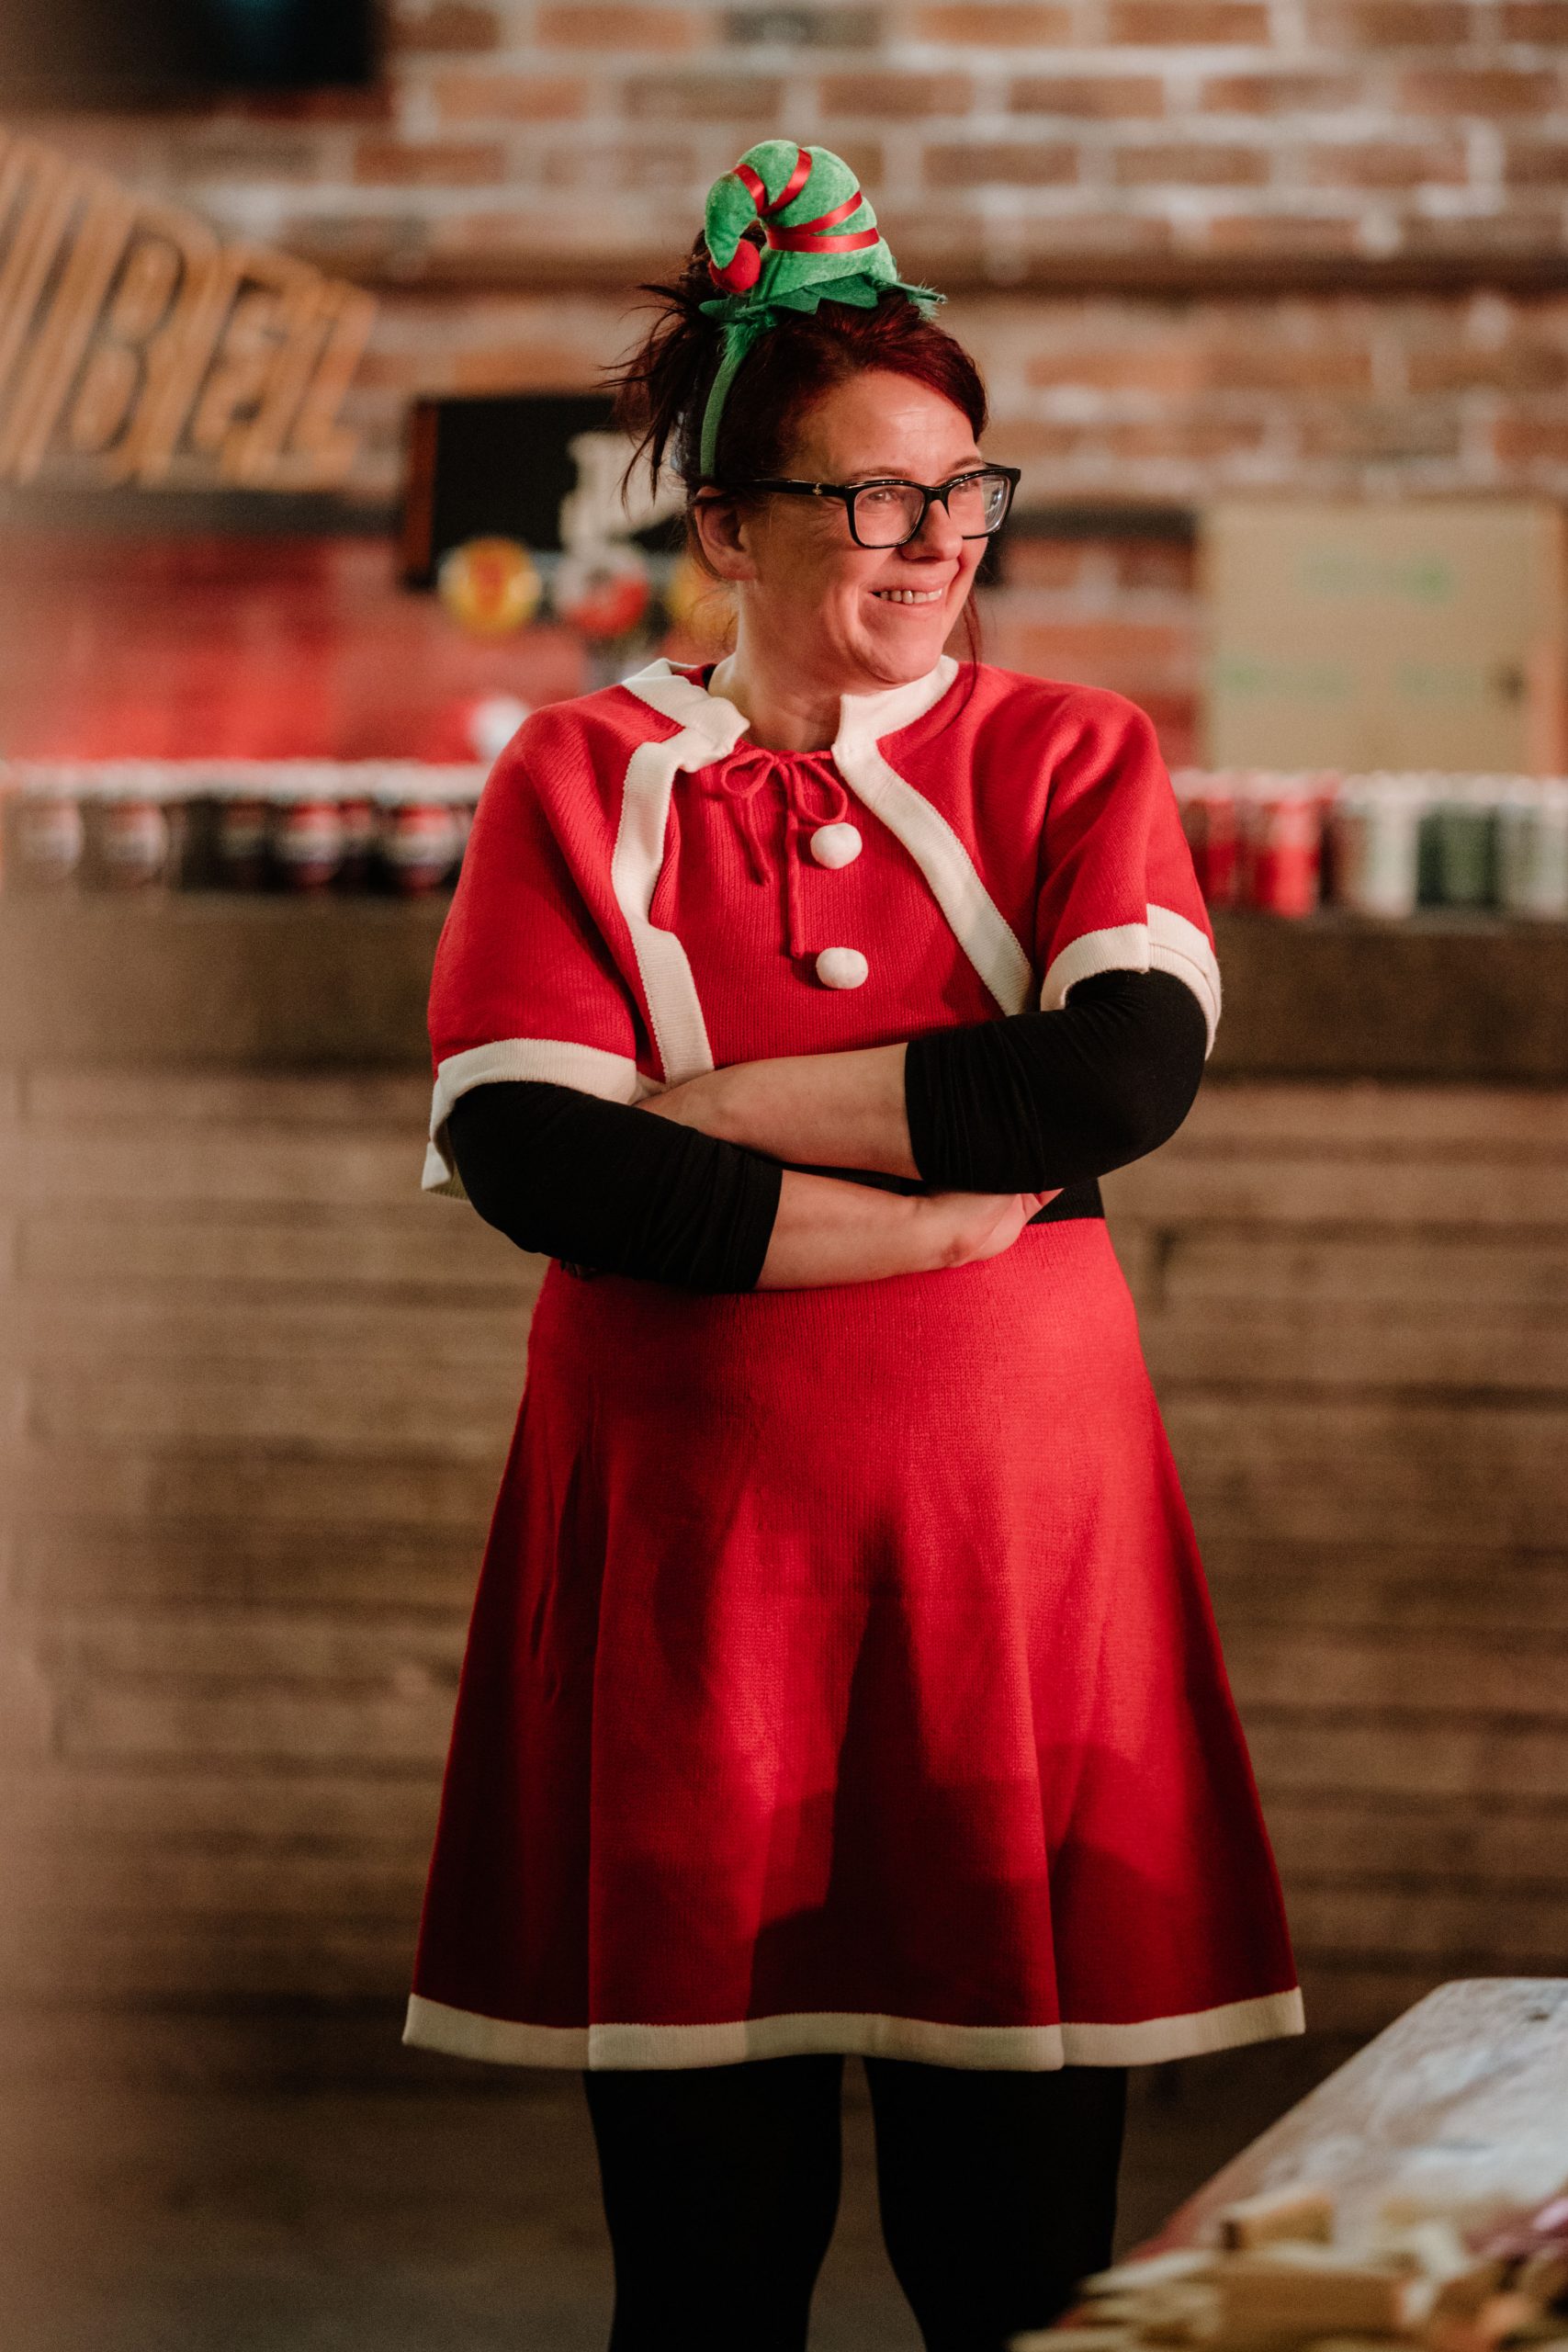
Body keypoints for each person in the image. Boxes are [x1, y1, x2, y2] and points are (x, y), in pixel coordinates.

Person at [402, 140, 1303, 2352]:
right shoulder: (573, 770)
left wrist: (711, 1112)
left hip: (1010, 1559)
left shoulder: (1069, 751)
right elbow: (531, 1152)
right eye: (876, 496)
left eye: (961, 490)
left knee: (1013, 2255)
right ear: (726, 525)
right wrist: (929, 1222)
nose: (934, 540)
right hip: (692, 1568)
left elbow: (1112, 1081)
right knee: (704, 2263)